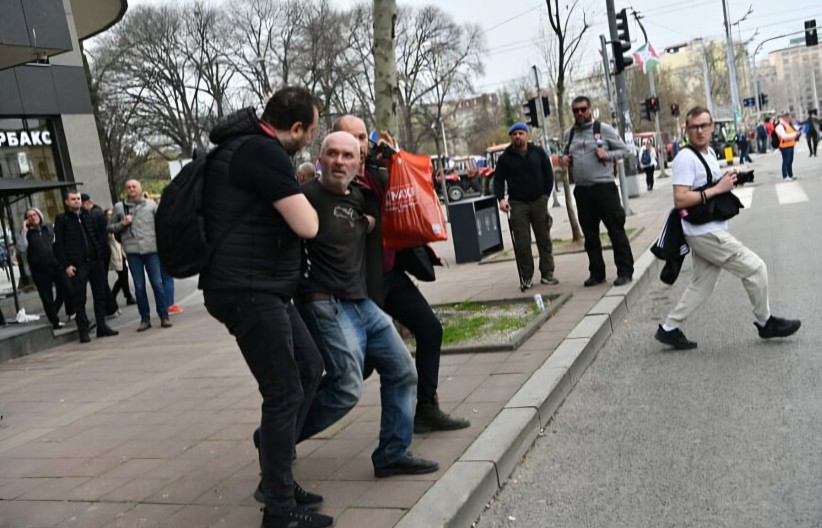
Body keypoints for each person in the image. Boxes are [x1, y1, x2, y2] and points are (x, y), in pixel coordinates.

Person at [200, 87, 331, 528]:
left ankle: (278, 475)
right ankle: (278, 510)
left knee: (309, 369)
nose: (309, 142)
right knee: (284, 391)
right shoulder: (264, 152)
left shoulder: (243, 147)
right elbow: (307, 224)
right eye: (310, 133)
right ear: (294, 128)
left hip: (258, 285)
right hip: (248, 288)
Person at [296, 131, 439, 479]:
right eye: (332, 154)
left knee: (403, 372)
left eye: (348, 155)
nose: (339, 161)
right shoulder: (303, 198)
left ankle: (391, 453)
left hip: (362, 302)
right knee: (346, 387)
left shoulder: (359, 197)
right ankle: (278, 437)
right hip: (326, 303)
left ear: (359, 163)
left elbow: (395, 192)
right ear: (320, 158)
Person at [334, 114, 470, 433]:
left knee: (430, 330)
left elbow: (413, 191)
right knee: (362, 367)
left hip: (390, 274)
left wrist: (396, 160)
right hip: (360, 285)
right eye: (351, 138)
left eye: (363, 137)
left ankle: (425, 408)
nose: (359, 144)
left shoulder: (378, 171)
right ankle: (287, 428)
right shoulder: (337, 179)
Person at [654, 106, 801, 350]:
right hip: (705, 232)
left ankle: (669, 328)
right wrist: (717, 189)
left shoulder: (710, 152)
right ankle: (765, 323)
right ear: (687, 130)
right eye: (694, 127)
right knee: (755, 268)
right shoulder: (685, 158)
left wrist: (732, 179)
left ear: (712, 127)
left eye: (704, 125)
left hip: (708, 227)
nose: (700, 131)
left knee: (702, 284)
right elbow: (680, 199)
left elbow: (709, 184)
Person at [560, 96, 634, 287]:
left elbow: (626, 151)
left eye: (583, 109)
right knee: (590, 236)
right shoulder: (569, 134)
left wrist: (607, 155)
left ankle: (625, 271)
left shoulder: (603, 129)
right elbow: (565, 155)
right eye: (575, 110)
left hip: (604, 189)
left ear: (590, 110)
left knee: (616, 231)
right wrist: (564, 160)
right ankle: (597, 272)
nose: (579, 113)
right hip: (583, 191)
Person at [493, 122, 558, 289]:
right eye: (514, 134)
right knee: (522, 243)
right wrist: (501, 199)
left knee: (544, 239)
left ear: (527, 135)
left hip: (539, 202)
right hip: (517, 204)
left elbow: (548, 174)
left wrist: (545, 196)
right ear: (511, 137)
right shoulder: (505, 158)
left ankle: (547, 273)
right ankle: (527, 276)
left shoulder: (538, 153)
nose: (518, 136)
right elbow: (498, 181)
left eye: (521, 133)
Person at [53, 191, 119, 343]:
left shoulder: (88, 215)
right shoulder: (62, 220)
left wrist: (101, 256)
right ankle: (83, 330)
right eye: (73, 199)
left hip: (95, 261)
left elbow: (98, 236)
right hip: (77, 265)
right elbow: (58, 246)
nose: (76, 201)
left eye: (78, 199)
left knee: (100, 295)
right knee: (79, 298)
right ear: (67, 202)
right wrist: (66, 265)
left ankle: (102, 326)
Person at [108, 179, 171, 331]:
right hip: (132, 251)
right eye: (128, 187)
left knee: (157, 283)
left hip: (152, 250)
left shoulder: (151, 205)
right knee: (139, 286)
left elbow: (161, 225)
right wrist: (123, 223)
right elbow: (109, 227)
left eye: (134, 186)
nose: (131, 189)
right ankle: (145, 319)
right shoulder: (119, 207)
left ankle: (164, 316)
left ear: (140, 188)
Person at [18, 207, 74, 329]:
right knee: (46, 296)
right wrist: (24, 229)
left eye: (35, 214)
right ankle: (55, 321)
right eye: (29, 216)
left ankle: (64, 310)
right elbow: (22, 247)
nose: (33, 217)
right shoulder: (27, 233)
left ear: (39, 215)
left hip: (55, 265)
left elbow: (58, 242)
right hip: (40, 270)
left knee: (67, 288)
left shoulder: (48, 228)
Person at [103, 209, 136, 307]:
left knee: (124, 275)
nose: (110, 216)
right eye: (109, 214)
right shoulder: (108, 227)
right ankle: (113, 297)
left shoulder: (118, 226)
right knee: (123, 276)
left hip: (121, 252)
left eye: (111, 214)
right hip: (114, 254)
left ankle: (127, 296)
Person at [774, 112, 801, 180]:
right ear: (785, 118)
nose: (791, 118)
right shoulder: (780, 126)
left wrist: (797, 132)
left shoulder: (788, 125)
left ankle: (790, 175)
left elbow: (792, 132)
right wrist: (795, 134)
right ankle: (785, 176)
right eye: (789, 117)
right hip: (784, 146)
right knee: (786, 161)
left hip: (790, 145)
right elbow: (784, 136)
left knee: (790, 161)